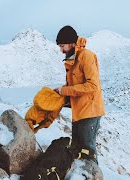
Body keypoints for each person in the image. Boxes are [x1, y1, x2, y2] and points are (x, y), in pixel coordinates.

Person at [54, 25, 105, 164]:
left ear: (71, 44)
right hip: (79, 111)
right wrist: (60, 91)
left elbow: (92, 85)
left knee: (88, 151)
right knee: (77, 149)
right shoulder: (72, 58)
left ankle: (93, 175)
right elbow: (74, 85)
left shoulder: (85, 57)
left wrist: (65, 91)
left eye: (62, 46)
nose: (61, 50)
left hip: (90, 111)